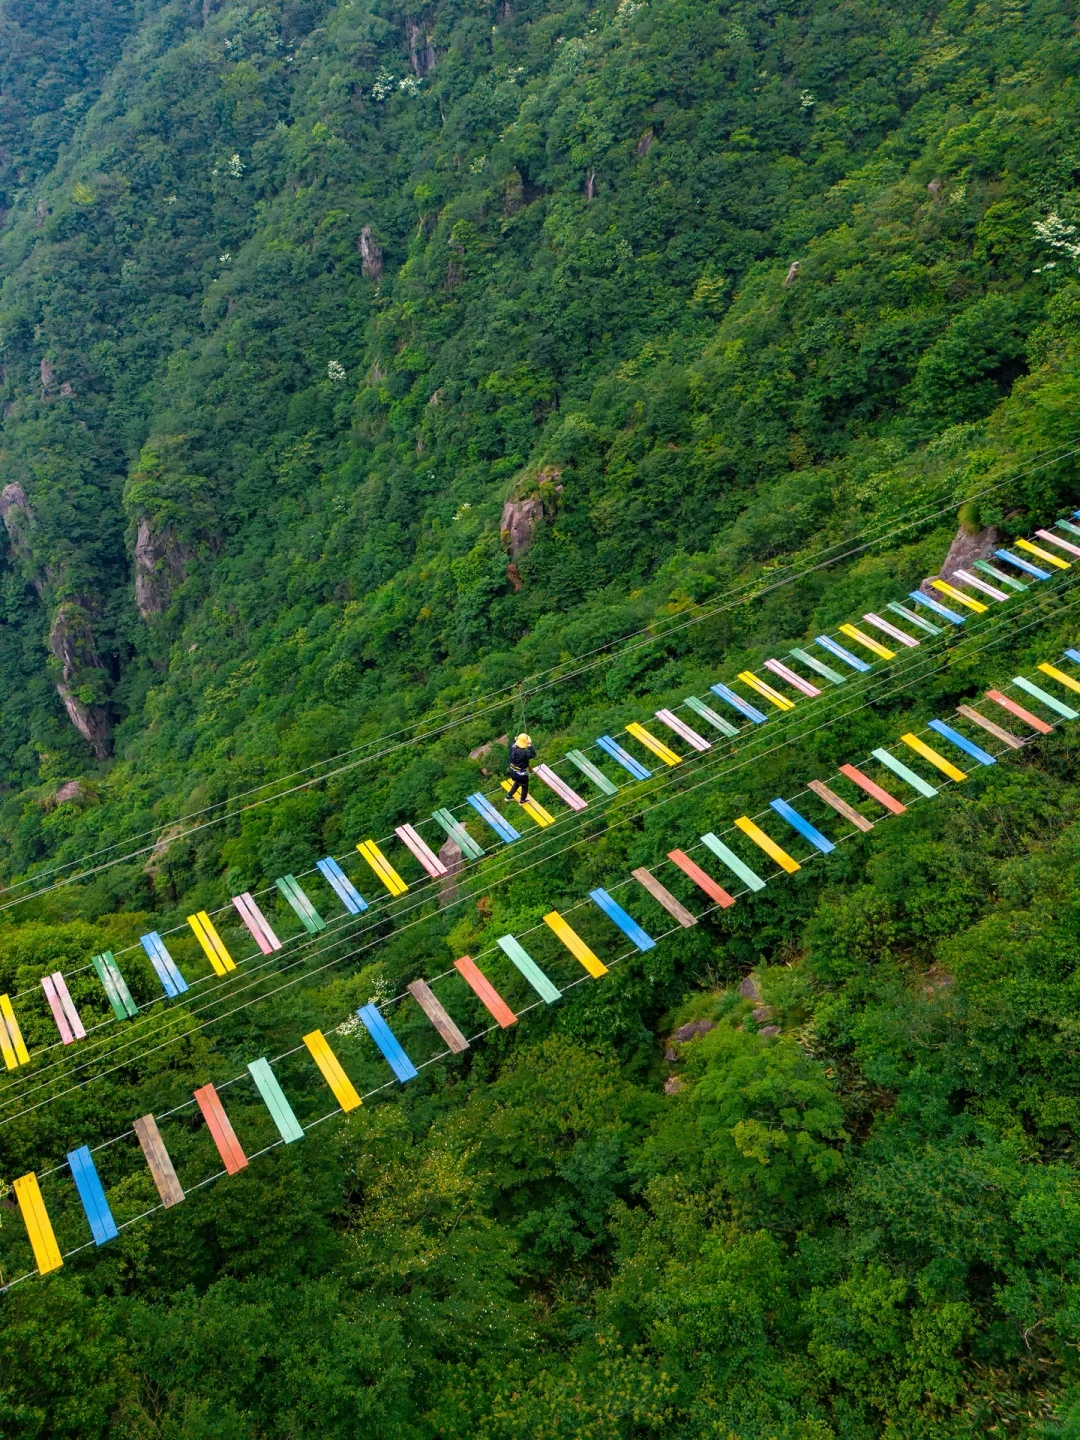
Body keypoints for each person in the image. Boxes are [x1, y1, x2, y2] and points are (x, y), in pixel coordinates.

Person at [505, 732, 536, 803]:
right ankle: (522, 800)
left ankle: (509, 796)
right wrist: (529, 745)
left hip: (513, 771)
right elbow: (533, 754)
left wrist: (517, 739)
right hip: (521, 774)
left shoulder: (512, 746)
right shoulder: (523, 753)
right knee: (525, 785)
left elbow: (511, 743)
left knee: (518, 783)